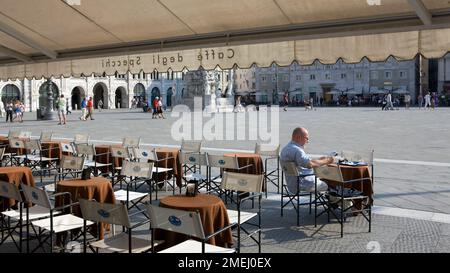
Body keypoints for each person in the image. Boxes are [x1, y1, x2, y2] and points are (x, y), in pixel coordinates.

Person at [280, 127, 334, 194]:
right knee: (331, 182)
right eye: (306, 138)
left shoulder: (285, 149)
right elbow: (309, 164)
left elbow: (303, 162)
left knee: (323, 177)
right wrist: (328, 160)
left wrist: (319, 160)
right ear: (298, 137)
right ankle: (335, 202)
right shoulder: (297, 150)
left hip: (291, 184)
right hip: (304, 184)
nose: (308, 141)